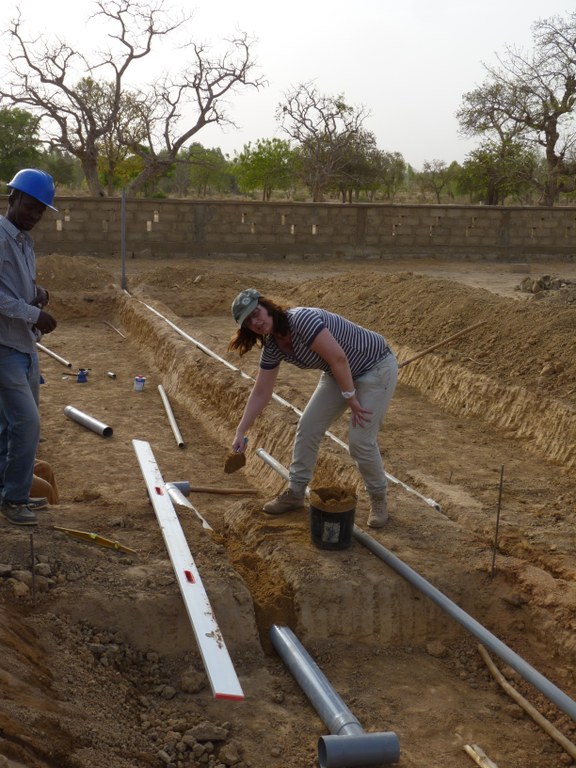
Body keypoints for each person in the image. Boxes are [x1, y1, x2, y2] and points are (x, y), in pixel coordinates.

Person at [228, 288, 398, 528]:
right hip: (336, 372)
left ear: (267, 307)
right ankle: (296, 493)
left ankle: (379, 498)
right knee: (308, 427)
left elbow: (339, 357)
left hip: (375, 367)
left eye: (257, 313)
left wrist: (351, 398)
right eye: (249, 322)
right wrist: (240, 430)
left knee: (360, 439)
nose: (257, 322)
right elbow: (261, 392)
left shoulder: (302, 320)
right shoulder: (273, 347)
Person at [0, 169, 58, 526]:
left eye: (40, 212)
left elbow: (14, 288)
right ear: (12, 199)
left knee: (9, 425)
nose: (35, 217)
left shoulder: (23, 241)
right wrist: (33, 312)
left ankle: (8, 492)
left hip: (25, 346)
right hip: (4, 346)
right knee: (27, 423)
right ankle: (16, 499)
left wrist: (37, 295)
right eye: (30, 208)